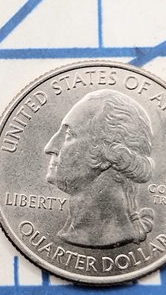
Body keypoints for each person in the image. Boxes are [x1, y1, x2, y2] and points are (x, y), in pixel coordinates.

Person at [44, 89, 154, 249]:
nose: (50, 147)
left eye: (69, 135)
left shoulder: (108, 237)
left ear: (108, 153)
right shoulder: (71, 232)